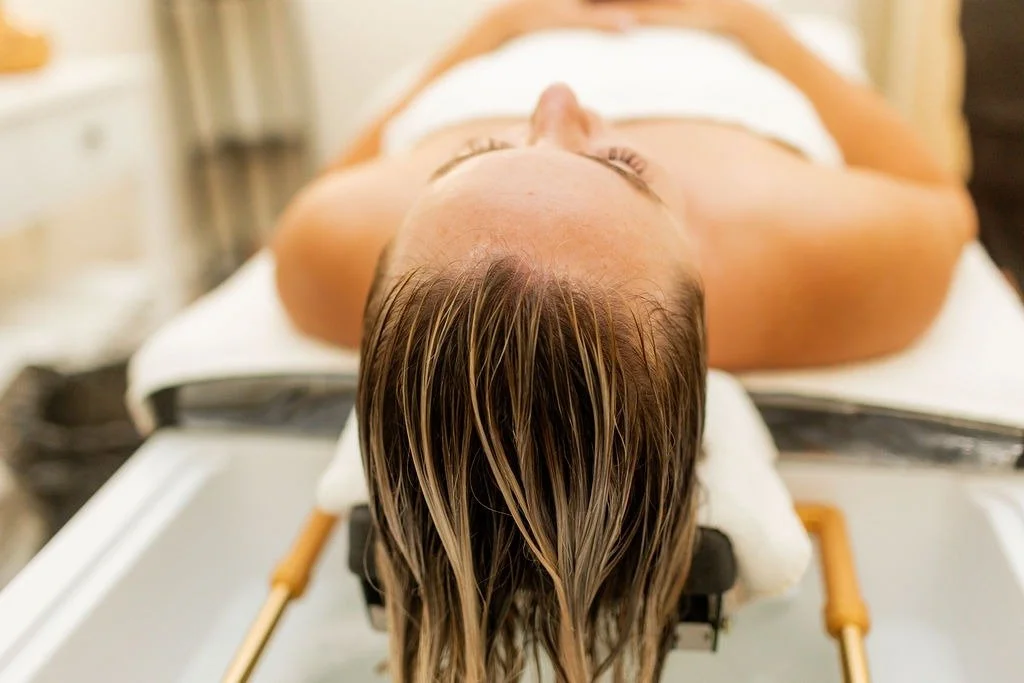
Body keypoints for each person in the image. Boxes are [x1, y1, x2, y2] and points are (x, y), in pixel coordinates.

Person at [271, 2, 977, 681]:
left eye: (475, 155)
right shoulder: (809, 247)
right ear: (701, 292)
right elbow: (946, 201)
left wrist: (500, 25)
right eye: (621, 165)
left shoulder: (332, 245)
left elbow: (325, 189)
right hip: (710, 43)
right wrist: (750, 25)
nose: (554, 99)